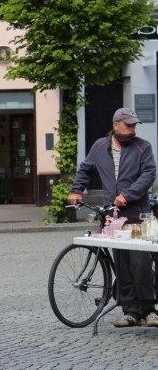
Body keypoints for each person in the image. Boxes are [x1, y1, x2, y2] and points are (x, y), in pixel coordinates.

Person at [69, 107, 158, 328]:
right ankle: (130, 312)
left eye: (134, 125)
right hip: (114, 217)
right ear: (115, 124)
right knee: (122, 265)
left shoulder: (142, 147)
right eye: (128, 125)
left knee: (141, 265)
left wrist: (127, 195)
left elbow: (149, 175)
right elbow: (85, 169)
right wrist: (76, 190)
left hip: (137, 216)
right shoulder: (99, 146)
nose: (132, 129)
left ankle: (149, 311)